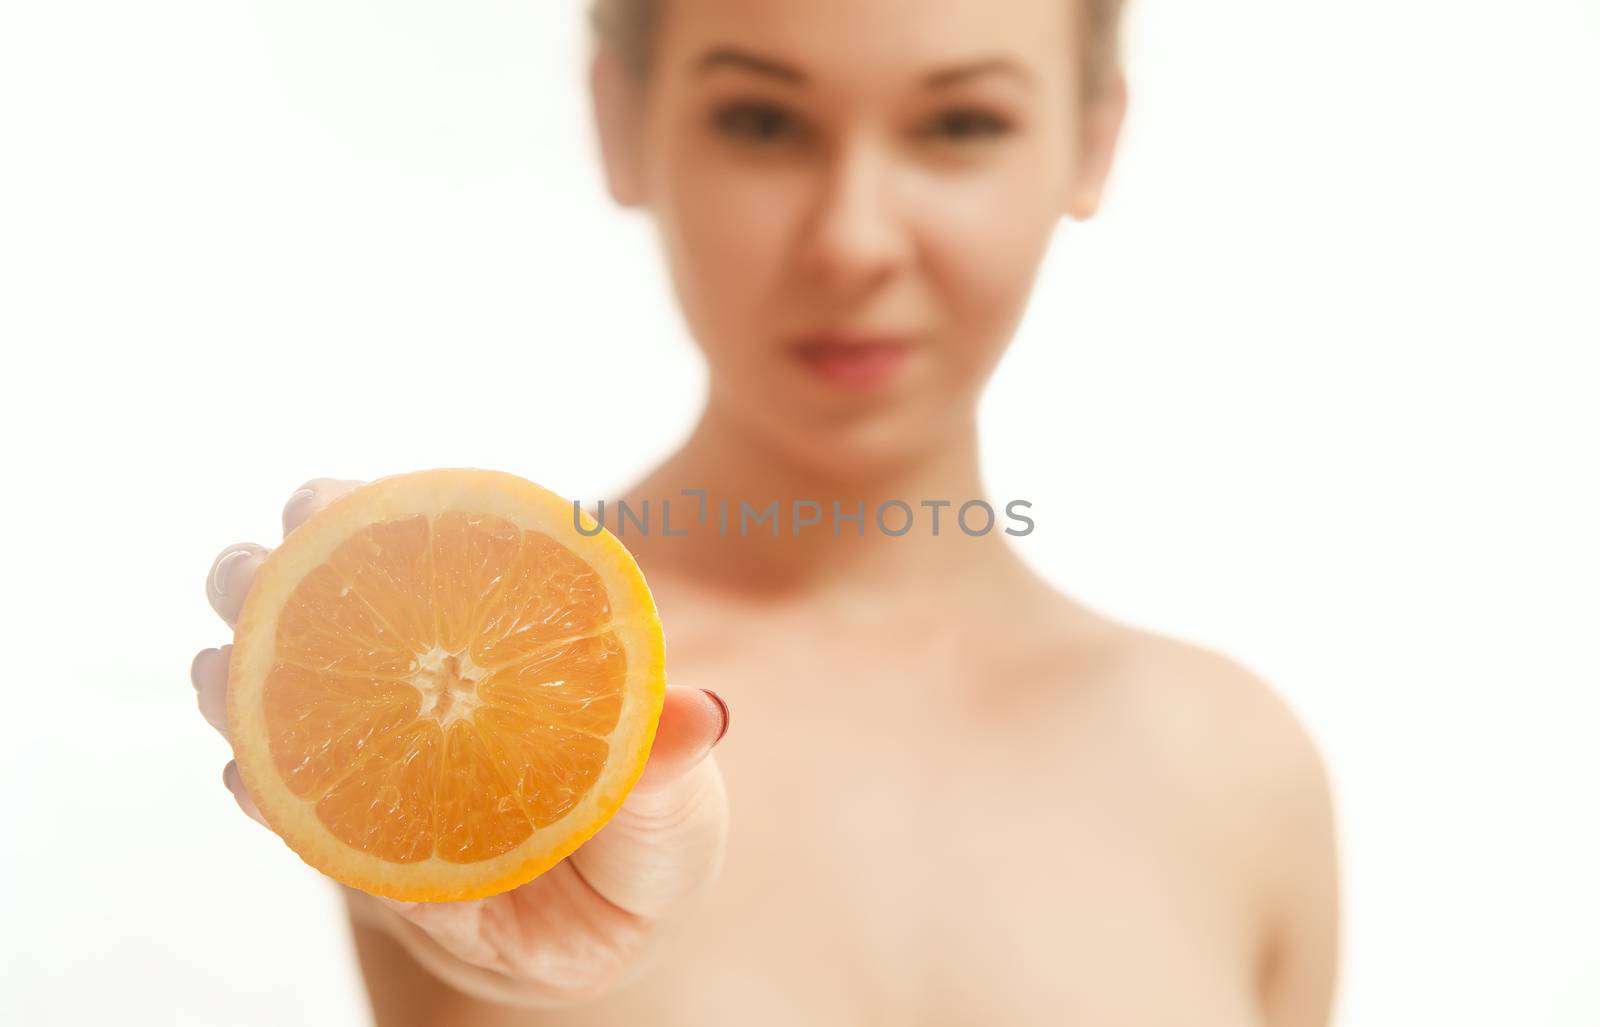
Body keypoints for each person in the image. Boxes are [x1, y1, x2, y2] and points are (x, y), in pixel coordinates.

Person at [191, 0, 1341, 1022]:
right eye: (761, 121)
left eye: (959, 124)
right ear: (622, 121)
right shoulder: (481, 693)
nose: (851, 238)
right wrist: (501, 942)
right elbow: (469, 942)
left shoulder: (1238, 769)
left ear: (1089, 143)